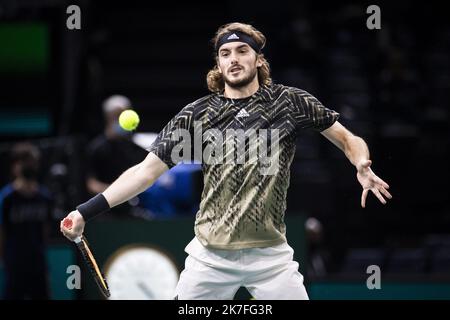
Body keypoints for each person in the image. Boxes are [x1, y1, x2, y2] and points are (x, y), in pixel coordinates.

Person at [61, 22, 392, 300]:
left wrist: (361, 163)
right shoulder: (197, 115)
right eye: (225, 53)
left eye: (242, 51)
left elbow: (348, 138)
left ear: (258, 59)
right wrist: (84, 211)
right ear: (218, 65)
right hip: (210, 257)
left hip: (271, 255)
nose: (233, 59)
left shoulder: (289, 102)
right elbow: (145, 173)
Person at [0, 142, 53, 299]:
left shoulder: (44, 196)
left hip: (38, 262)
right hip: (15, 263)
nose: (31, 165)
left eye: (34, 161)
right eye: (27, 161)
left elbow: (45, 230)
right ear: (16, 165)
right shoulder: (7, 198)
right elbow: (1, 231)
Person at [85, 95, 148, 217]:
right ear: (108, 118)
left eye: (124, 114)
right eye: (117, 116)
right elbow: (90, 183)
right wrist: (116, 193)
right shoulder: (95, 149)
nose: (120, 119)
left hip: (134, 209)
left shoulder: (137, 147)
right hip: (105, 211)